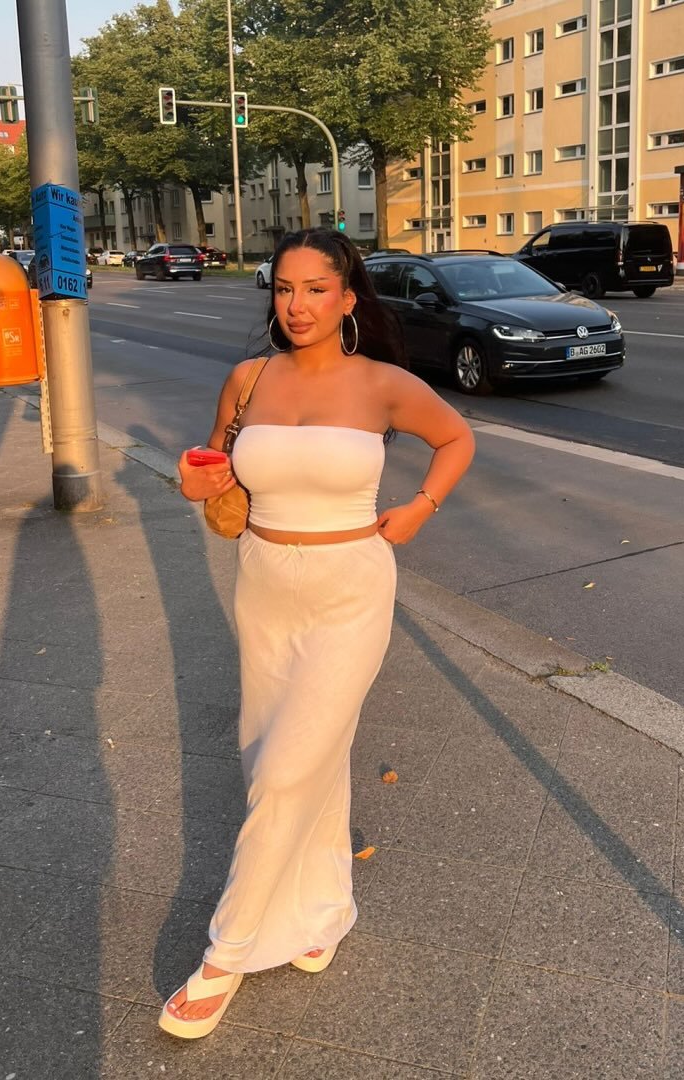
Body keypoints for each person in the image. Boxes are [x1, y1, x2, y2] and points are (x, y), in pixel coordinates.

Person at [163, 228, 475, 1039]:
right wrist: (196, 478)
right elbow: (214, 468)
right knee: (291, 756)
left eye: (314, 289)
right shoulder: (247, 379)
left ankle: (226, 954)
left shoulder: (383, 384)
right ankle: (325, 908)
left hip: (350, 589)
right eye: (283, 288)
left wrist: (420, 508)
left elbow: (457, 438)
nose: (296, 305)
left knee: (284, 771)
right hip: (264, 585)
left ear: (346, 298)